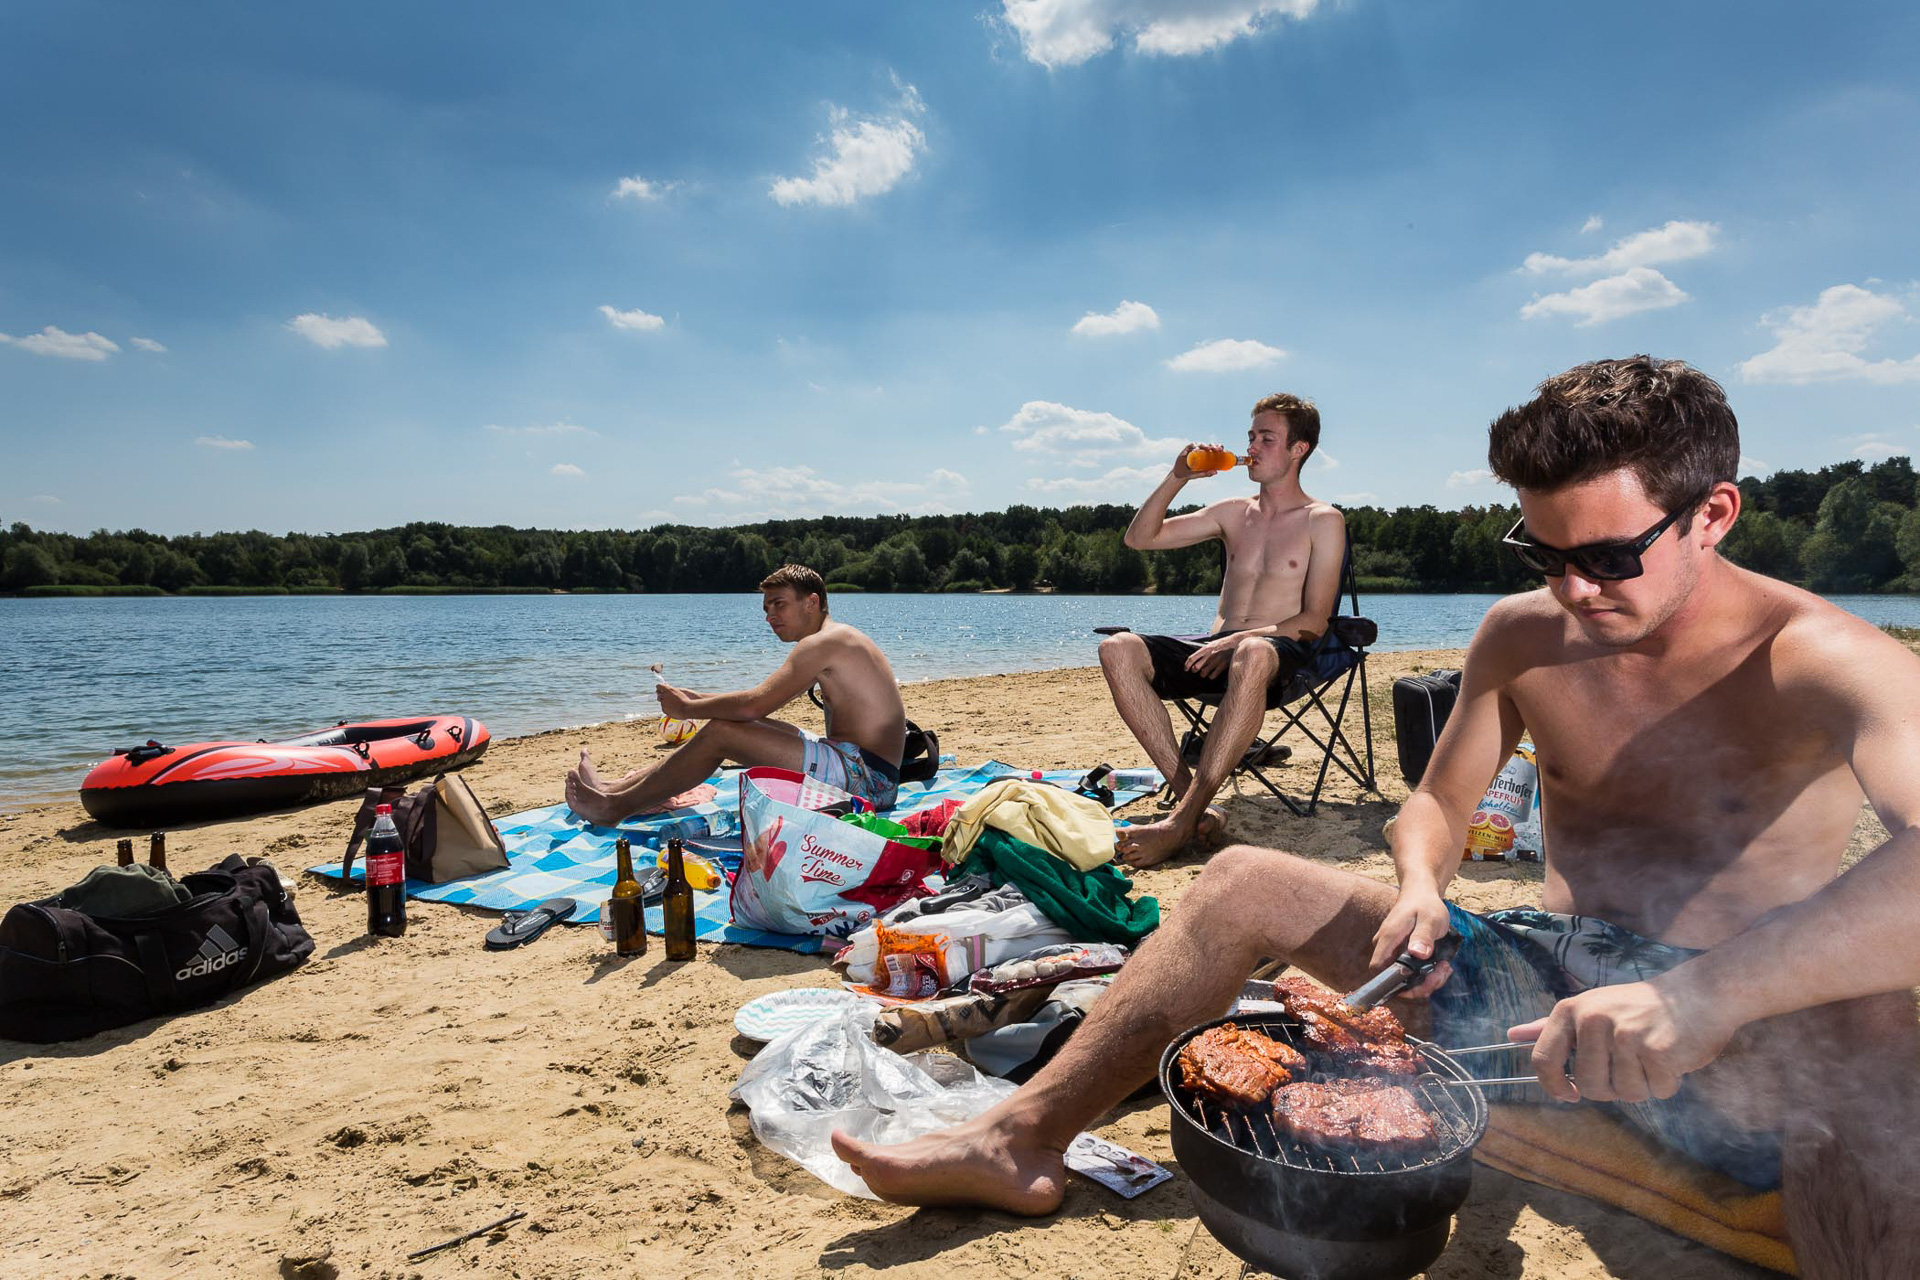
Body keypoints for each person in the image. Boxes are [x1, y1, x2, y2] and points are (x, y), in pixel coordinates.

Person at [832, 357, 1920, 1279]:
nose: (1575, 592)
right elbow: (1440, 802)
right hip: (1541, 982)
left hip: (1732, 1008)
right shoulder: (1522, 632)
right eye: (1545, 554)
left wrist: (1707, 991)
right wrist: (1419, 885)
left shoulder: (1824, 656)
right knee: (1242, 880)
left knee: (1882, 1033)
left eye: (1607, 557)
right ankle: (1015, 1136)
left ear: (1712, 513)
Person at [1099, 392, 1346, 867]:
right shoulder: (1233, 511)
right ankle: (1193, 804)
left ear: (1300, 449)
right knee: (1118, 648)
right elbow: (1139, 538)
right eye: (1251, 435)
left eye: (1266, 438)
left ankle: (1179, 823)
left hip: (1278, 655)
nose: (1252, 446)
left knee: (1253, 650)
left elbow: (1314, 621)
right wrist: (1178, 477)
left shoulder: (1323, 520)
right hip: (1217, 652)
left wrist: (1240, 639)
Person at [566, 564, 907, 823]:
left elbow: (754, 704)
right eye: (766, 609)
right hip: (857, 764)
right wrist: (697, 699)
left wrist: (687, 708)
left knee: (722, 733)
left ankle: (614, 809)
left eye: (779, 604)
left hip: (869, 781)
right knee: (753, 727)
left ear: (811, 602)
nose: (770, 616)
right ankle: (612, 789)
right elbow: (756, 709)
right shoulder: (836, 638)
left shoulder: (825, 643)